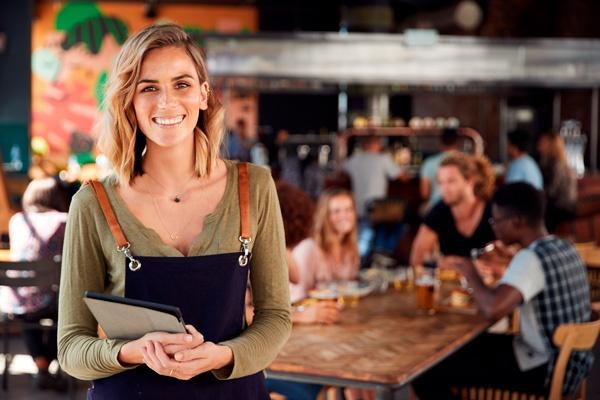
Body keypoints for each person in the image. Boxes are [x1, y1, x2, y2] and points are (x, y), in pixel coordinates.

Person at [57, 24, 291, 399]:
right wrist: (135, 350)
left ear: (203, 95)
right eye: (149, 87)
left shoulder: (254, 187)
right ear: (128, 101)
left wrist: (222, 355)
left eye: (181, 84)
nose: (166, 102)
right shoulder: (93, 203)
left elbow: (276, 318)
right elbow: (71, 348)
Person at [413, 182, 592, 399]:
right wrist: (508, 260)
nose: (494, 227)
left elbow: (492, 309)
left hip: (544, 368)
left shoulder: (531, 259)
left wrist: (470, 272)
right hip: (573, 363)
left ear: (516, 221)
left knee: (427, 371)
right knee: (457, 350)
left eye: (496, 220)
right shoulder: (564, 247)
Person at [0, 177, 69, 390]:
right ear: (57, 197)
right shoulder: (64, 220)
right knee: (72, 314)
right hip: (50, 298)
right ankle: (48, 366)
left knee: (29, 313)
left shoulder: (18, 220)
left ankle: (41, 368)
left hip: (16, 300)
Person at [410, 152, 496, 266]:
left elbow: (508, 259)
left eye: (451, 181)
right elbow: (416, 260)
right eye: (441, 183)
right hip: (451, 283)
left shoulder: (494, 210)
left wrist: (454, 263)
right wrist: (441, 262)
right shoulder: (439, 211)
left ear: (470, 181)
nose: (444, 189)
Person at [343, 135, 405, 257]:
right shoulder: (383, 159)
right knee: (401, 220)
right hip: (378, 208)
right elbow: (402, 177)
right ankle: (382, 252)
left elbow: (340, 173)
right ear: (378, 145)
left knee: (369, 231)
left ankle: (374, 253)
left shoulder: (354, 159)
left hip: (358, 208)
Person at [537, 131, 577, 232]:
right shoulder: (552, 162)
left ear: (552, 145)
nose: (538, 145)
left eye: (542, 142)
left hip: (563, 207)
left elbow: (552, 191)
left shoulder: (556, 164)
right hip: (561, 205)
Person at [420, 128, 460, 212]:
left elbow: (424, 194)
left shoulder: (429, 163)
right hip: (460, 207)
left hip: (436, 207)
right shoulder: (468, 162)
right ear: (457, 143)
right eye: (441, 182)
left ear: (441, 143)